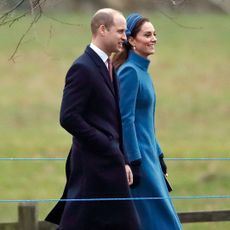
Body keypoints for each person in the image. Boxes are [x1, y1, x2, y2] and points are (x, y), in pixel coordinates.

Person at [45, 9, 141, 230]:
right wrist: (106, 144)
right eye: (120, 32)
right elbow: (68, 117)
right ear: (102, 30)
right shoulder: (82, 68)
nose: (124, 38)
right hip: (91, 167)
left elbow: (114, 119)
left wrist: (123, 158)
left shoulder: (110, 66)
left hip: (110, 164)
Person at [113, 13, 182, 230]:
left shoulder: (143, 72)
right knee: (159, 222)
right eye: (147, 34)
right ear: (131, 40)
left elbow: (146, 123)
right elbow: (126, 120)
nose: (154, 39)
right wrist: (134, 161)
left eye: (155, 34)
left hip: (149, 156)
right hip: (140, 160)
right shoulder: (130, 72)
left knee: (163, 219)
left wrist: (159, 154)